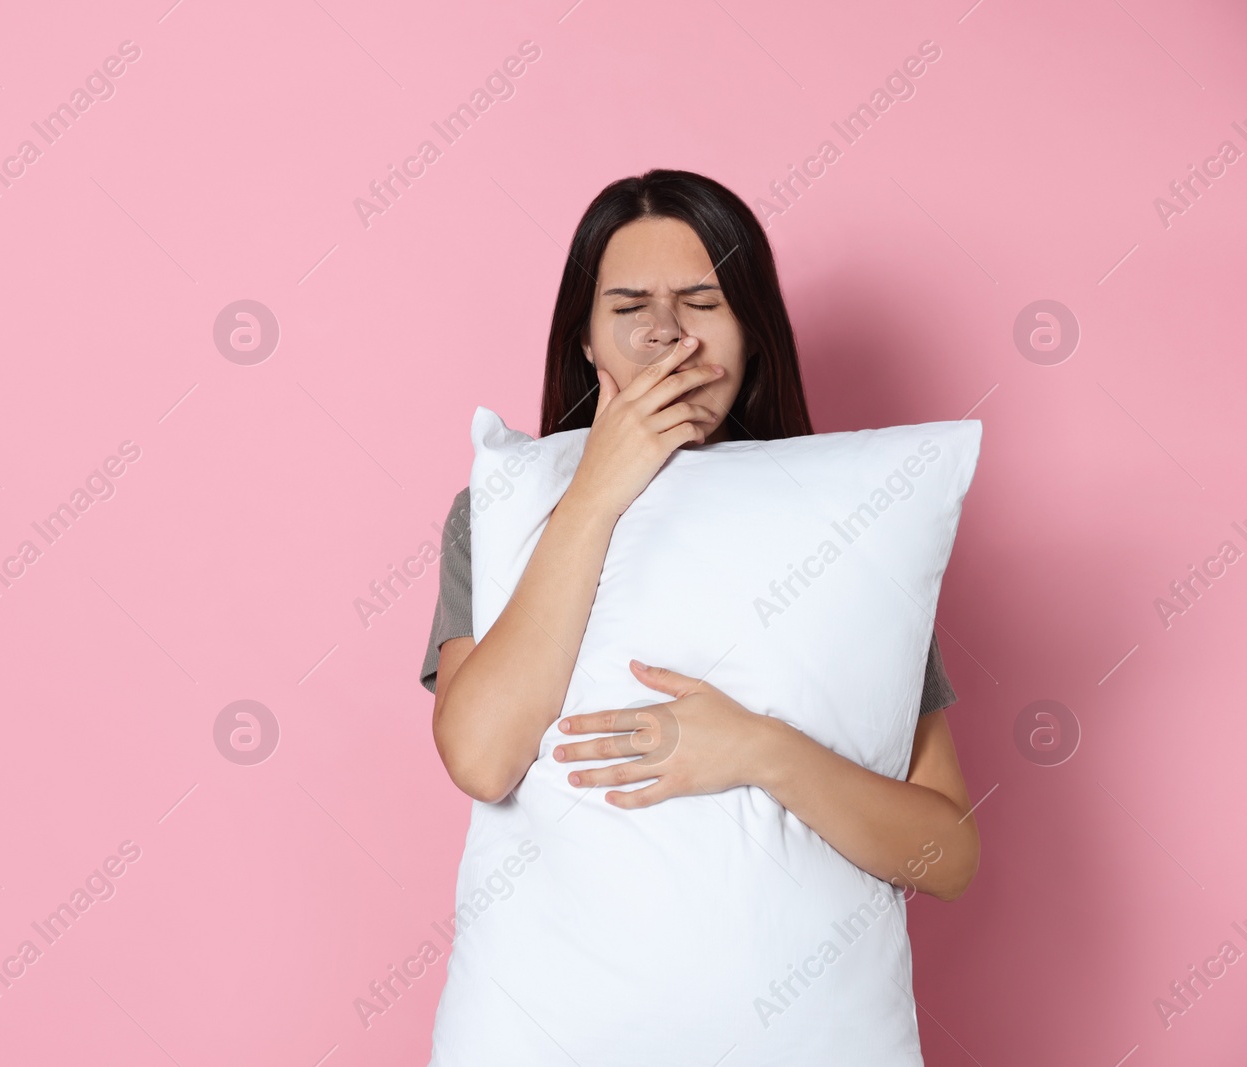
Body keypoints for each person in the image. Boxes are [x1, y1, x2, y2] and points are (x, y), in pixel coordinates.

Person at [418, 168, 979, 1058]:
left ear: (754, 332)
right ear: (589, 340)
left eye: (702, 301)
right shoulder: (499, 510)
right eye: (629, 305)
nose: (665, 335)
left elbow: (944, 855)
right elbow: (483, 757)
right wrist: (597, 488)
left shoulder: (848, 520)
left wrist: (756, 748)